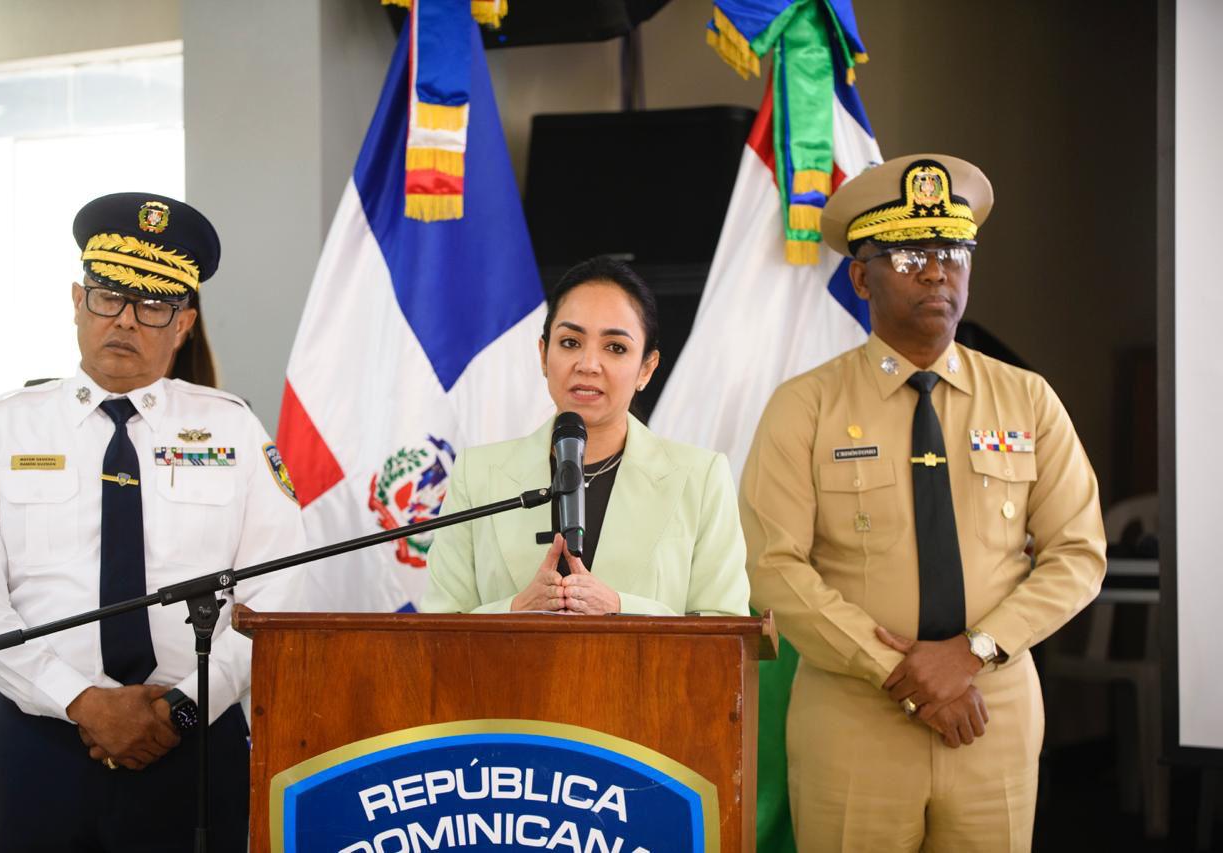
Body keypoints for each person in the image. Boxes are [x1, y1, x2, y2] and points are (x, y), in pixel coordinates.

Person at [739, 155, 1106, 852]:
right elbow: (772, 567)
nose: (937, 272)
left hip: (991, 714)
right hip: (855, 718)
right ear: (861, 277)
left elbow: (1079, 554)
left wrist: (971, 654)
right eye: (910, 256)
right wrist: (905, 674)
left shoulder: (1027, 398)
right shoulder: (805, 406)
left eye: (953, 253)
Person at [0, 192, 305, 851]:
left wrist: (183, 708)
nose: (125, 321)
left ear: (183, 322)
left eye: (152, 306)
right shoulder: (0, 428)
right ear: (77, 302)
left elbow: (279, 591)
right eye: (108, 297)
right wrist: (80, 700)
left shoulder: (232, 428)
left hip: (193, 741)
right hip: (36, 744)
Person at [423, 256, 750, 616]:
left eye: (615, 347)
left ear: (646, 368)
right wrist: (516, 609)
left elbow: (726, 626)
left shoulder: (700, 479)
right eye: (570, 342)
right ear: (543, 355)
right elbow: (438, 623)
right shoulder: (477, 474)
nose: (588, 364)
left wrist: (620, 609)